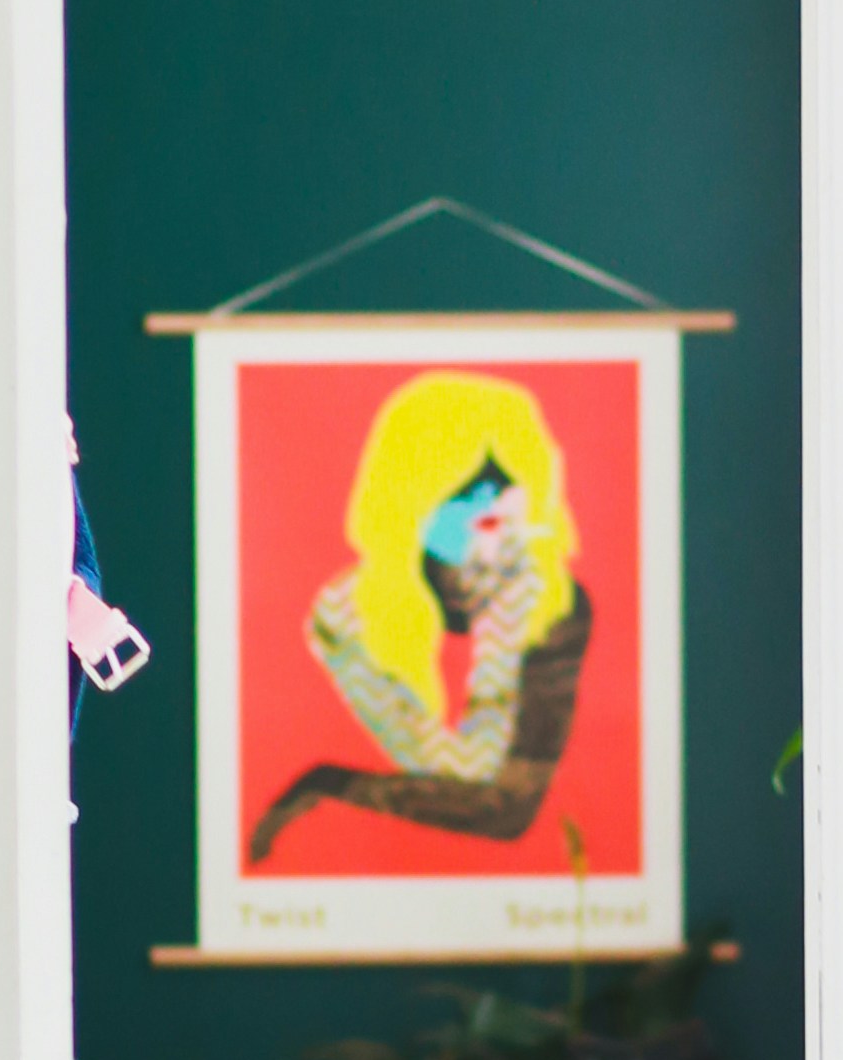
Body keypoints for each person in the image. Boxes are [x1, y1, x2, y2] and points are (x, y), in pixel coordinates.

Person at [247, 367, 593, 862]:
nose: (496, 515)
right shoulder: (345, 619)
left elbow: (504, 806)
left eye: (511, 491)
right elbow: (438, 765)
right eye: (474, 493)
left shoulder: (550, 606)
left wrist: (332, 785)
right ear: (409, 499)